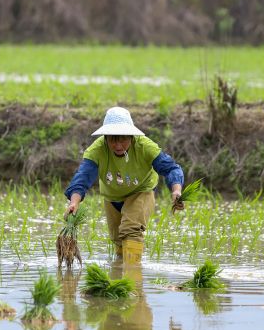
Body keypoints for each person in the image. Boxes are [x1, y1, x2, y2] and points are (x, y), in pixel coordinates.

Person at [64, 107, 184, 264]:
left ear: (132, 136)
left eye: (123, 139)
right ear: (105, 138)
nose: (118, 145)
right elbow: (82, 179)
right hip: (112, 197)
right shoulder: (97, 150)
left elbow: (171, 168)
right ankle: (120, 277)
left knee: (131, 230)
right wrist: (74, 202)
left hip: (141, 191)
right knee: (118, 239)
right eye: (113, 139)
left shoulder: (144, 146)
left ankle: (133, 278)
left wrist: (176, 190)